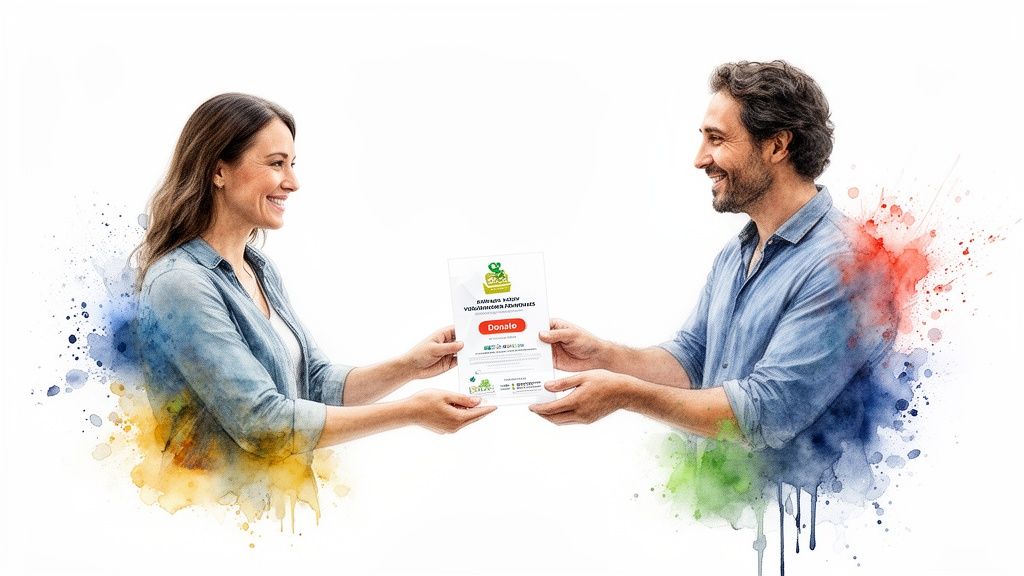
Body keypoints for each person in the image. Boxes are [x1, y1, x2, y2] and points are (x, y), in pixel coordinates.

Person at [528, 61, 896, 488]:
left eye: (717, 140)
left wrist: (624, 394)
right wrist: (601, 356)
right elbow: (692, 358)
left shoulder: (844, 265)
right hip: (730, 518)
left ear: (777, 146)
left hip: (801, 530)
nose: (700, 159)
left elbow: (766, 412)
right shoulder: (737, 252)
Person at [134, 93, 496, 479]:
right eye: (276, 164)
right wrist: (411, 411)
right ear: (218, 171)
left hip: (274, 513)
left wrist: (409, 366)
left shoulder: (258, 269)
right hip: (211, 516)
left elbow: (314, 383)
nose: (293, 183)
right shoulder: (181, 284)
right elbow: (263, 424)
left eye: (292, 164)